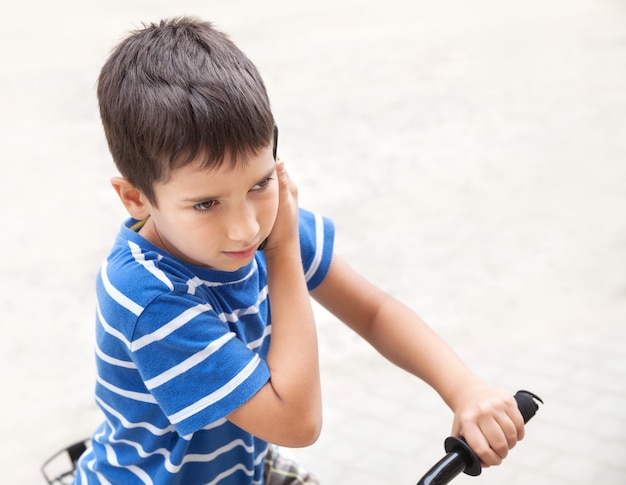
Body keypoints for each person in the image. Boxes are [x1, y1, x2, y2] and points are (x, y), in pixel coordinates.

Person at [74, 16, 525, 484]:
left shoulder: (268, 225)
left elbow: (374, 312)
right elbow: (296, 422)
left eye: (260, 183)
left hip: (247, 470)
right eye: (206, 203)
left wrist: (464, 388)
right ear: (135, 198)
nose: (245, 228)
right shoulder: (150, 298)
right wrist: (284, 252)